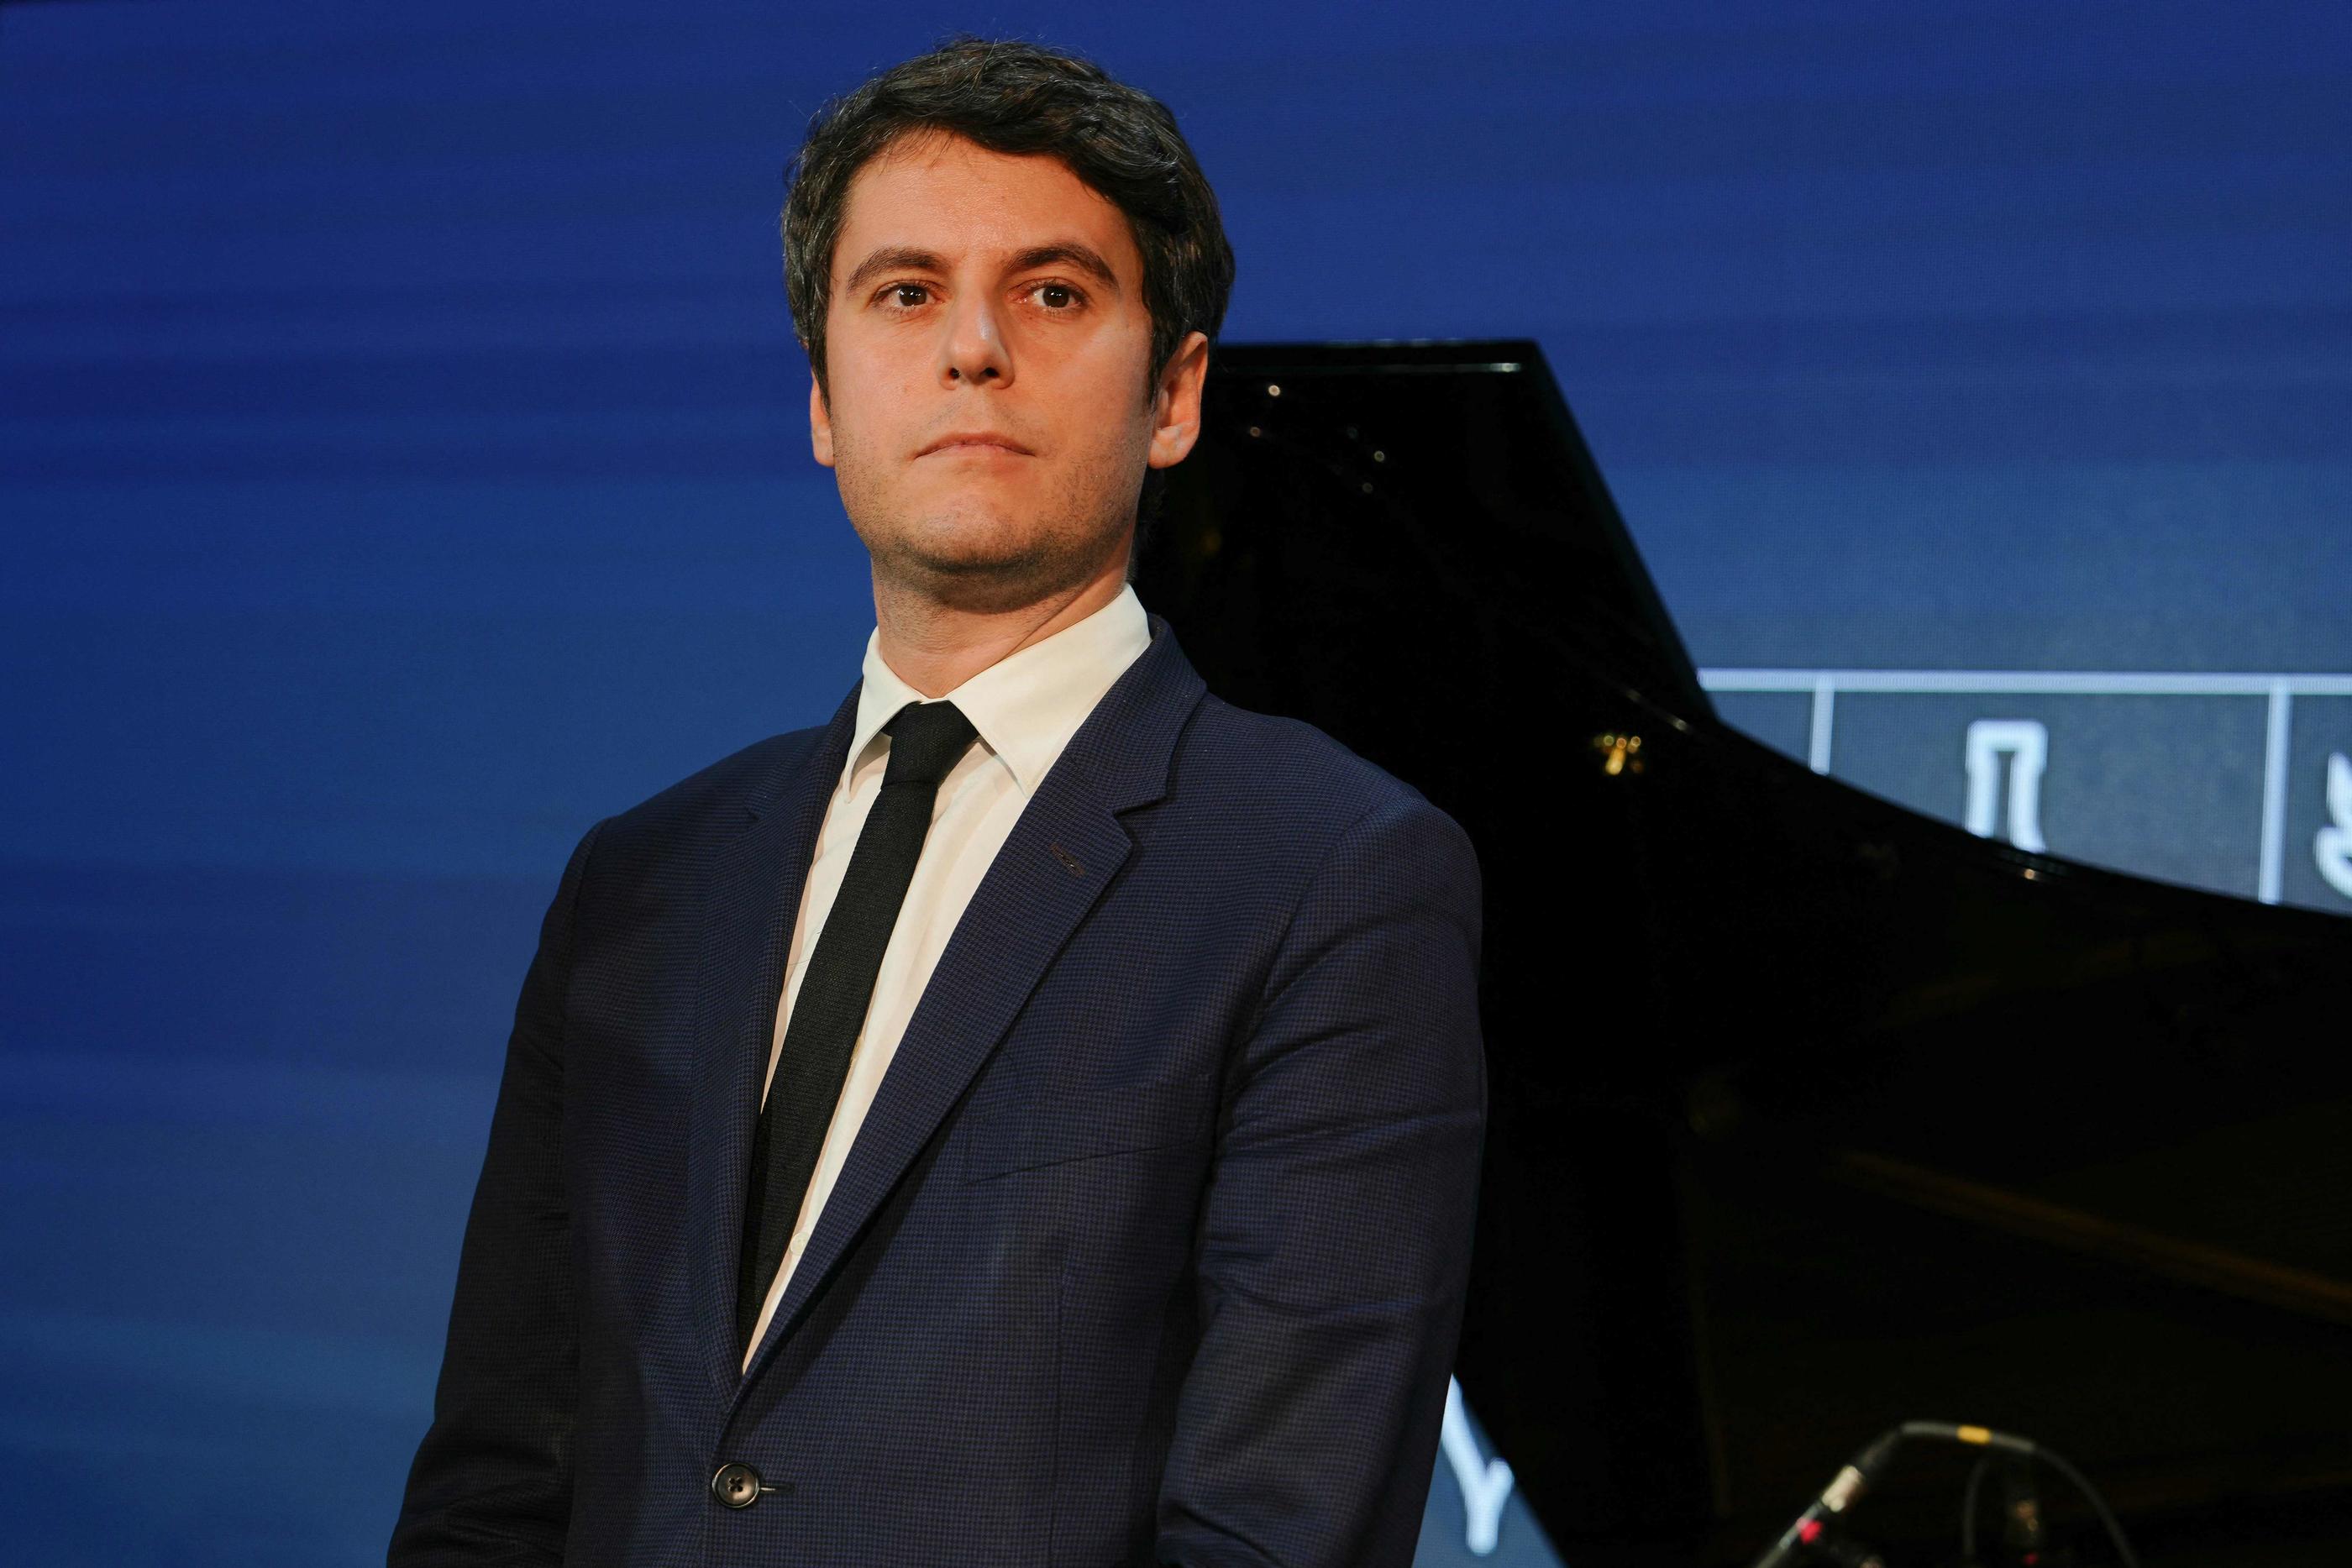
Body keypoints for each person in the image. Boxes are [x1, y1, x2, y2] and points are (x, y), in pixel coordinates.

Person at [390, 37, 1484, 1568]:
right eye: (904, 294)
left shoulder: (1335, 874)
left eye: (1052, 294)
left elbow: (1276, 1531)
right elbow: (496, 1482)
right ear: (826, 398)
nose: (973, 348)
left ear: (1173, 394)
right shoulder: (642, 881)